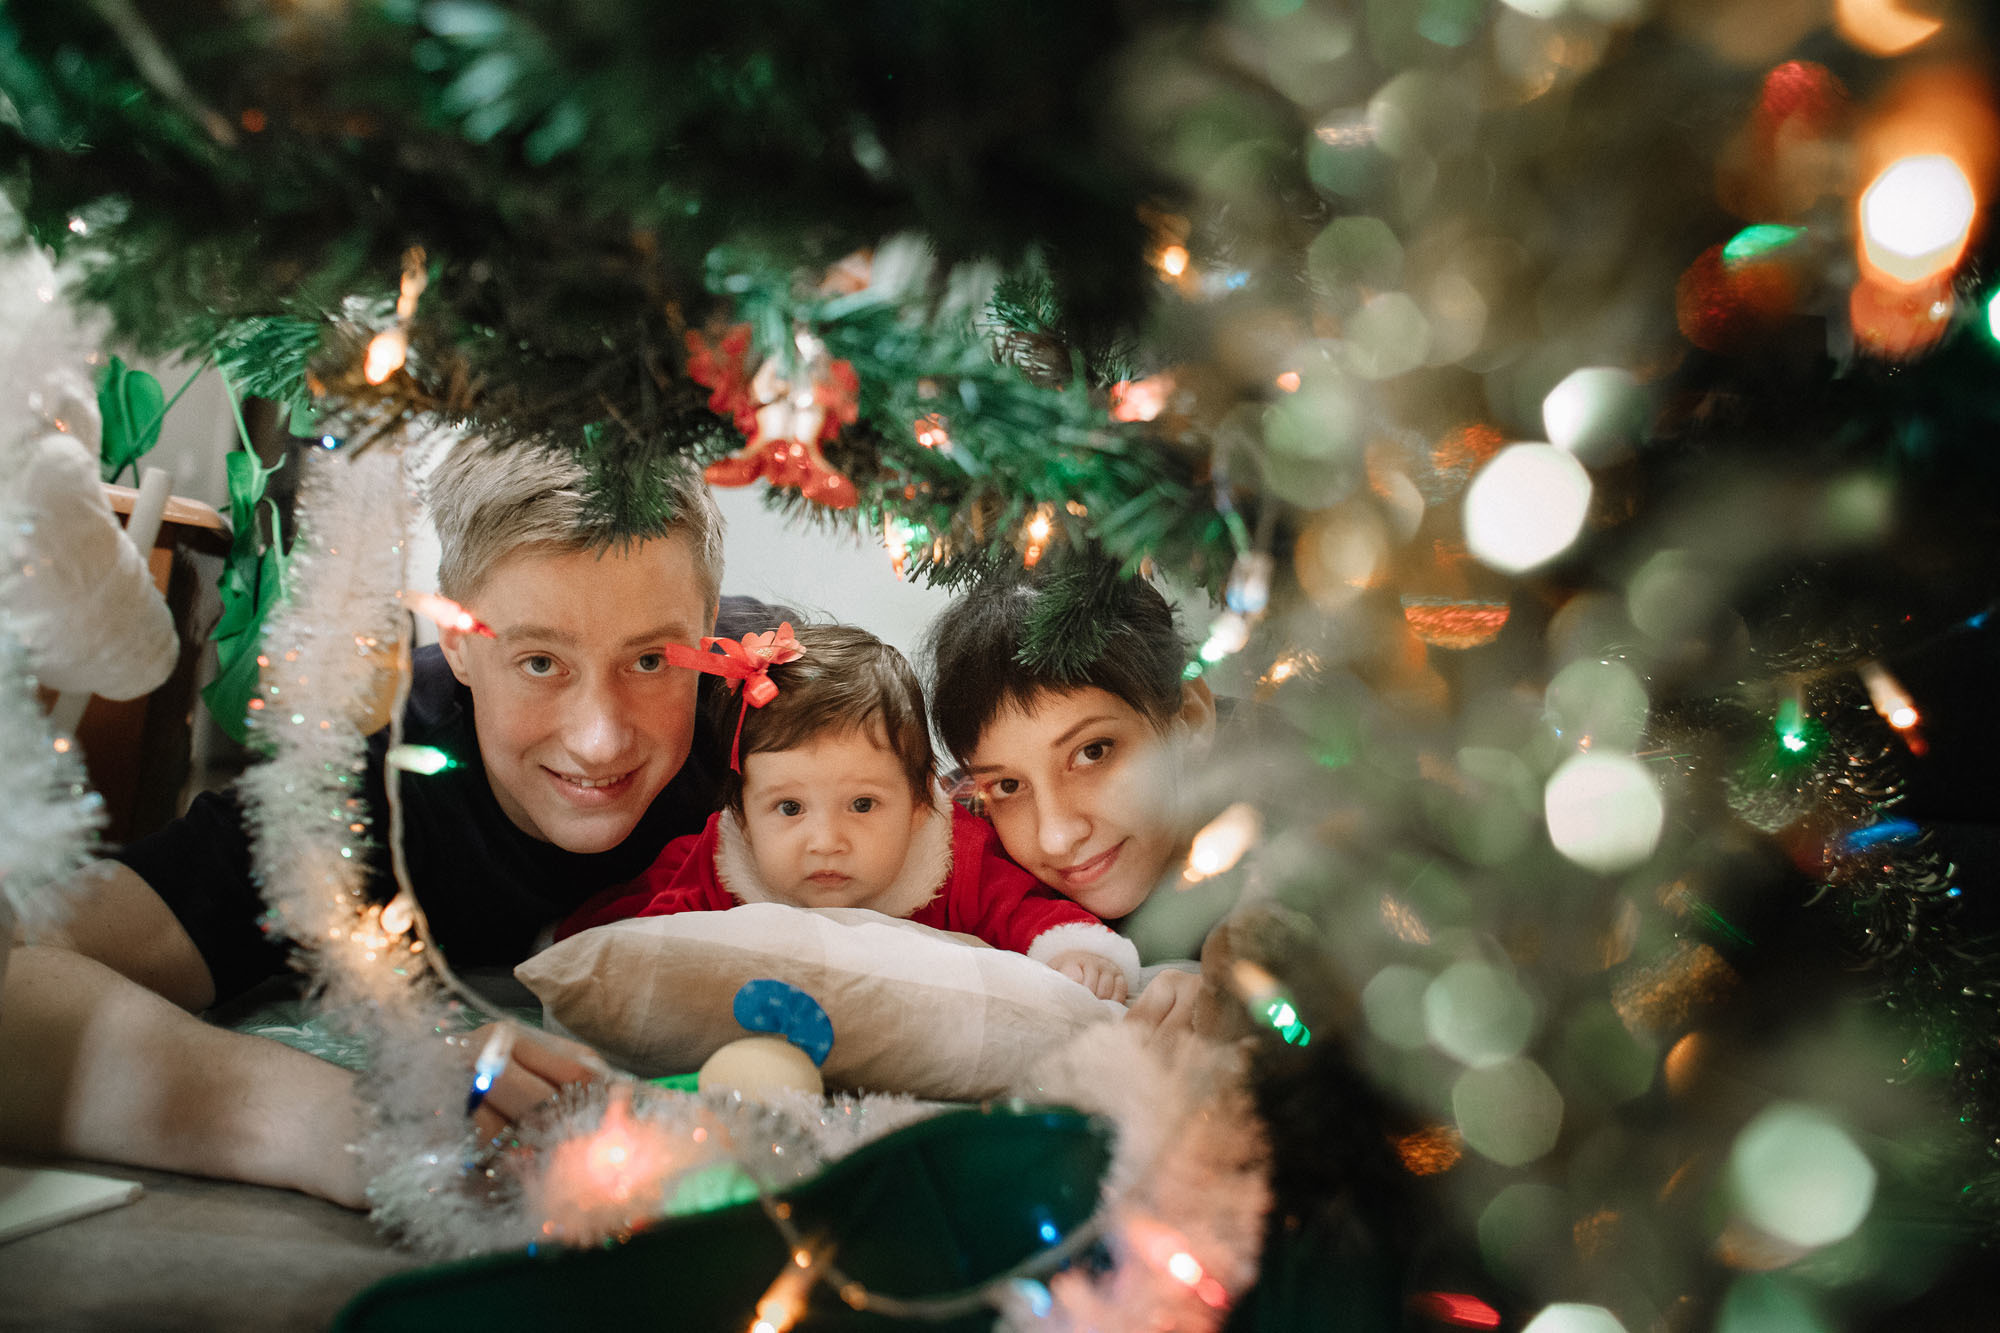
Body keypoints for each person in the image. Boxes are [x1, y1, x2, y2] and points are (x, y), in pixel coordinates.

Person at [0, 437, 752, 1204]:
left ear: (712, 629)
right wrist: (338, 1121)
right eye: (539, 662)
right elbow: (19, 962)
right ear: (456, 641)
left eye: (653, 661)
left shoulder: (781, 717)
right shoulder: (363, 796)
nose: (601, 738)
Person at [557, 622, 1140, 1000]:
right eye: (788, 807)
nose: (826, 839)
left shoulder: (956, 858)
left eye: (862, 804)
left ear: (917, 806)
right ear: (741, 814)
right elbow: (640, 941)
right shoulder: (718, 863)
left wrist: (1078, 955)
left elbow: (1025, 912)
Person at [922, 563, 1228, 1033]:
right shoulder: (960, 842)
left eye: (1092, 753)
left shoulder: (1321, 814)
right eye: (1008, 786)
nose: (1057, 836)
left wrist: (1249, 998)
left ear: (1187, 717)